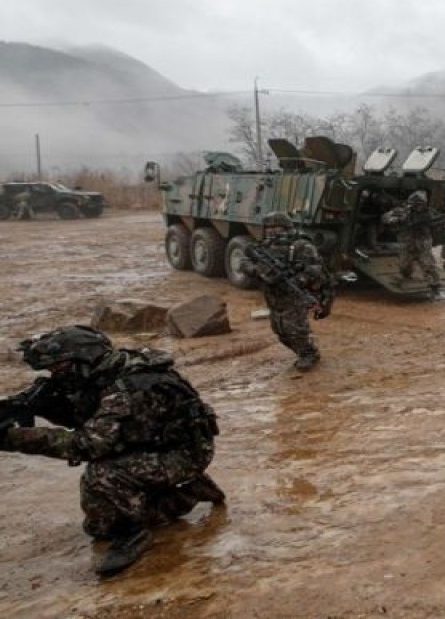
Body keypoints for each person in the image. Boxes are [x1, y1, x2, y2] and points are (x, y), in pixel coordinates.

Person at [0, 326, 223, 576]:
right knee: (98, 526)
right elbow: (93, 420)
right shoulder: (105, 373)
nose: (56, 376)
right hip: (156, 445)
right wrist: (44, 407)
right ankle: (180, 491)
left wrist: (12, 438)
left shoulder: (125, 388)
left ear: (83, 360)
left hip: (185, 453)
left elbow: (87, 444)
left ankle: (137, 531)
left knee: (103, 476)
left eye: (60, 369)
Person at [239, 211, 331, 371]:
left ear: (287, 227)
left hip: (292, 293)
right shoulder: (264, 245)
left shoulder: (301, 245)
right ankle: (302, 351)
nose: (272, 231)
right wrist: (255, 270)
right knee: (279, 330)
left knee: (296, 329)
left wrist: (296, 281)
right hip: (272, 294)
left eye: (276, 227)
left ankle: (309, 354)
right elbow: (245, 261)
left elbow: (314, 269)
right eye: (269, 227)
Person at [381, 191, 444, 290]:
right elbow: (385, 217)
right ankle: (406, 278)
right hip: (406, 241)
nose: (419, 206)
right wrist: (397, 220)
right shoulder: (402, 211)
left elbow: (438, 220)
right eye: (416, 204)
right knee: (404, 266)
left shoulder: (429, 212)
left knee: (428, 264)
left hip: (423, 241)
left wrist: (433, 224)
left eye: (420, 204)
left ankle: (435, 285)